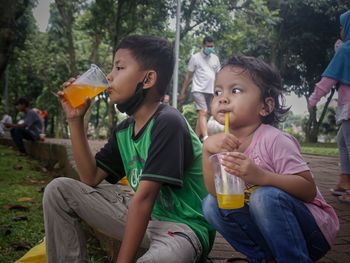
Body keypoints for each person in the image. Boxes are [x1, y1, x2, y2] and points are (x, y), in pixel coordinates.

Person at [43, 35, 215, 263]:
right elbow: (90, 177)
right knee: (59, 191)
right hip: (144, 219)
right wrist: (75, 121)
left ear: (148, 79)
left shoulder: (169, 122)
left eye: (119, 67)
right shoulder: (124, 130)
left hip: (182, 228)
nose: (109, 76)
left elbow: (144, 199)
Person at [201, 55, 339, 262]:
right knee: (211, 204)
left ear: (265, 107)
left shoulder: (275, 140)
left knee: (263, 197)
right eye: (218, 92)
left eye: (235, 90)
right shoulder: (222, 144)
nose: (222, 98)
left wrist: (261, 176)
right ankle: (263, 258)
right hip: (269, 232)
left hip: (311, 232)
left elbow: (308, 190)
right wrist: (207, 151)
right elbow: (215, 191)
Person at [308, 10, 350, 204]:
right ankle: (344, 181)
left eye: (342, 27)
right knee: (342, 141)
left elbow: (329, 79)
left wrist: (314, 99)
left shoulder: (345, 50)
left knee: (348, 144)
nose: (340, 31)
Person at [178, 36, 221, 141]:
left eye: (211, 46)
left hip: (210, 90)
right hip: (198, 89)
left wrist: (219, 91)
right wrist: (182, 92)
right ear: (203, 45)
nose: (210, 48)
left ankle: (195, 139)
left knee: (203, 114)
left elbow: (219, 75)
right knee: (203, 111)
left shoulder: (215, 58)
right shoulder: (195, 58)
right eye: (208, 46)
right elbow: (188, 76)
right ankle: (206, 137)